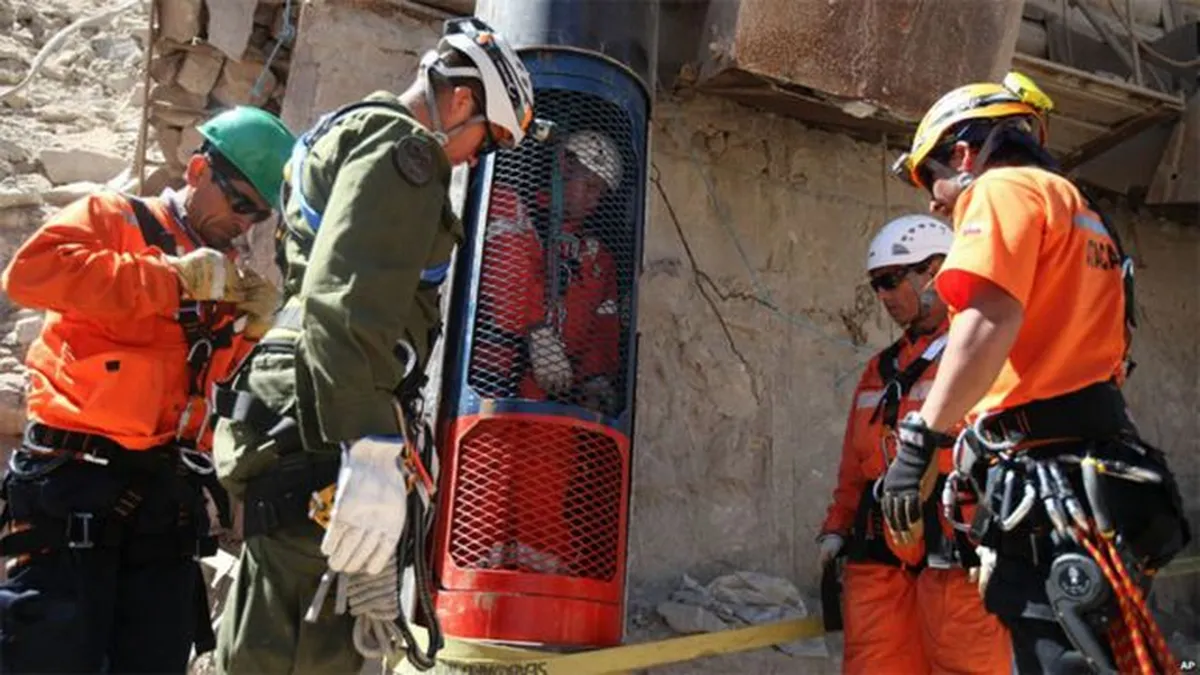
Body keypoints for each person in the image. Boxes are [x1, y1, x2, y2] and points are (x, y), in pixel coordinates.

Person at [206, 17, 539, 675]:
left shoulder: (347, 127)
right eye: (490, 139)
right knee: (306, 646)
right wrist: (369, 445)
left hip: (300, 406)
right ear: (463, 100)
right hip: (330, 415)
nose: (478, 156)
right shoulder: (406, 153)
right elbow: (347, 300)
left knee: (274, 623)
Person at [883, 72, 1190, 674]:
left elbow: (988, 319)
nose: (933, 200)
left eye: (931, 177)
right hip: (1093, 475)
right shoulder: (1084, 213)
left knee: (1057, 656)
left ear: (965, 154)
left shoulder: (1002, 191)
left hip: (1050, 488)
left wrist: (920, 442)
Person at [0, 105, 295, 673]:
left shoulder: (224, 275)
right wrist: (169, 278)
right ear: (198, 171)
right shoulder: (115, 218)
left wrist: (251, 334)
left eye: (258, 214)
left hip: (164, 499)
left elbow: (206, 387)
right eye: (240, 204)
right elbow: (29, 275)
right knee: (48, 654)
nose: (245, 224)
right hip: (76, 481)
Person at [817, 214, 1012, 674]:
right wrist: (836, 528)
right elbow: (854, 465)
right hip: (879, 559)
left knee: (968, 664)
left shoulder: (982, 357)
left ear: (936, 271)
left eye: (890, 281)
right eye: (875, 286)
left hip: (955, 553)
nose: (883, 296)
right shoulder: (878, 372)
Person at [469, 129, 624, 577]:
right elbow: (506, 269)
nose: (594, 200)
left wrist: (596, 379)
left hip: (556, 400)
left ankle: (537, 584)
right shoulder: (508, 205)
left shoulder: (596, 258)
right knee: (487, 490)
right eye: (589, 185)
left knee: (546, 498)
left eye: (601, 192)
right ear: (563, 168)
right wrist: (536, 328)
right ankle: (481, 581)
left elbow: (603, 324)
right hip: (495, 385)